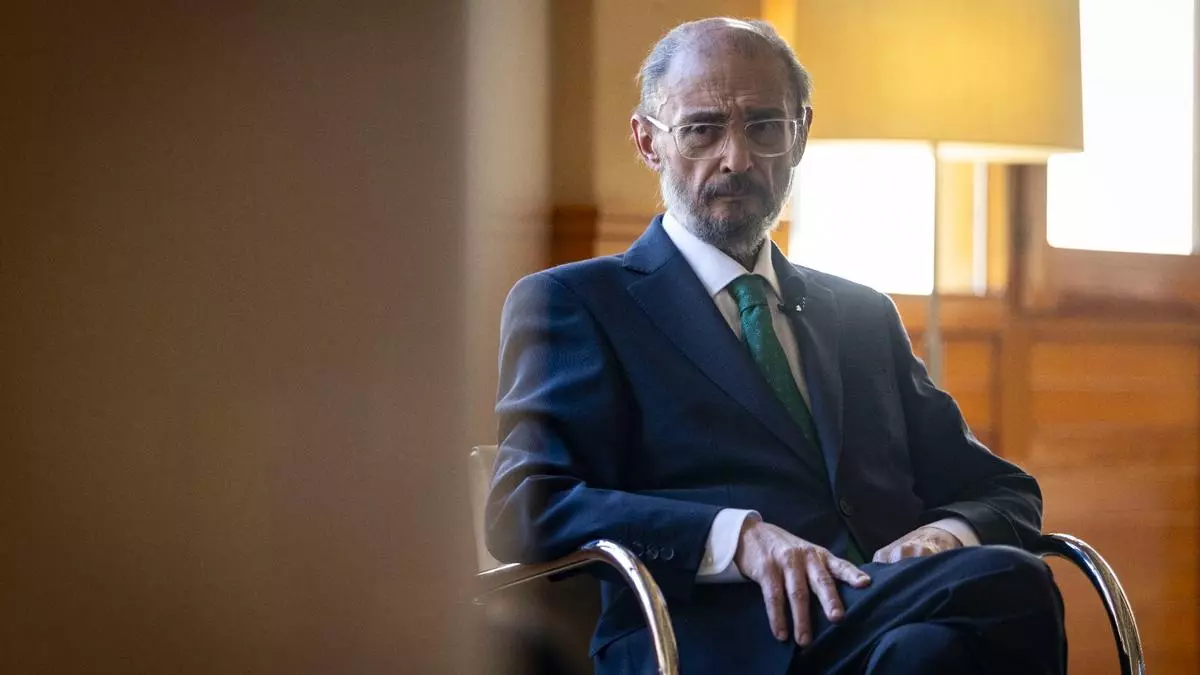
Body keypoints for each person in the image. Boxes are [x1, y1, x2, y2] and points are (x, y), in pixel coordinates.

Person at [485, 17, 1065, 675]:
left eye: (764, 126)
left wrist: (944, 536)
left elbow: (1001, 489)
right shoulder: (578, 302)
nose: (737, 159)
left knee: (925, 652)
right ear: (648, 141)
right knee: (1011, 581)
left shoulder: (862, 314)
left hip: (879, 618)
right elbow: (524, 504)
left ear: (801, 135)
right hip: (709, 639)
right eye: (702, 129)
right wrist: (737, 537)